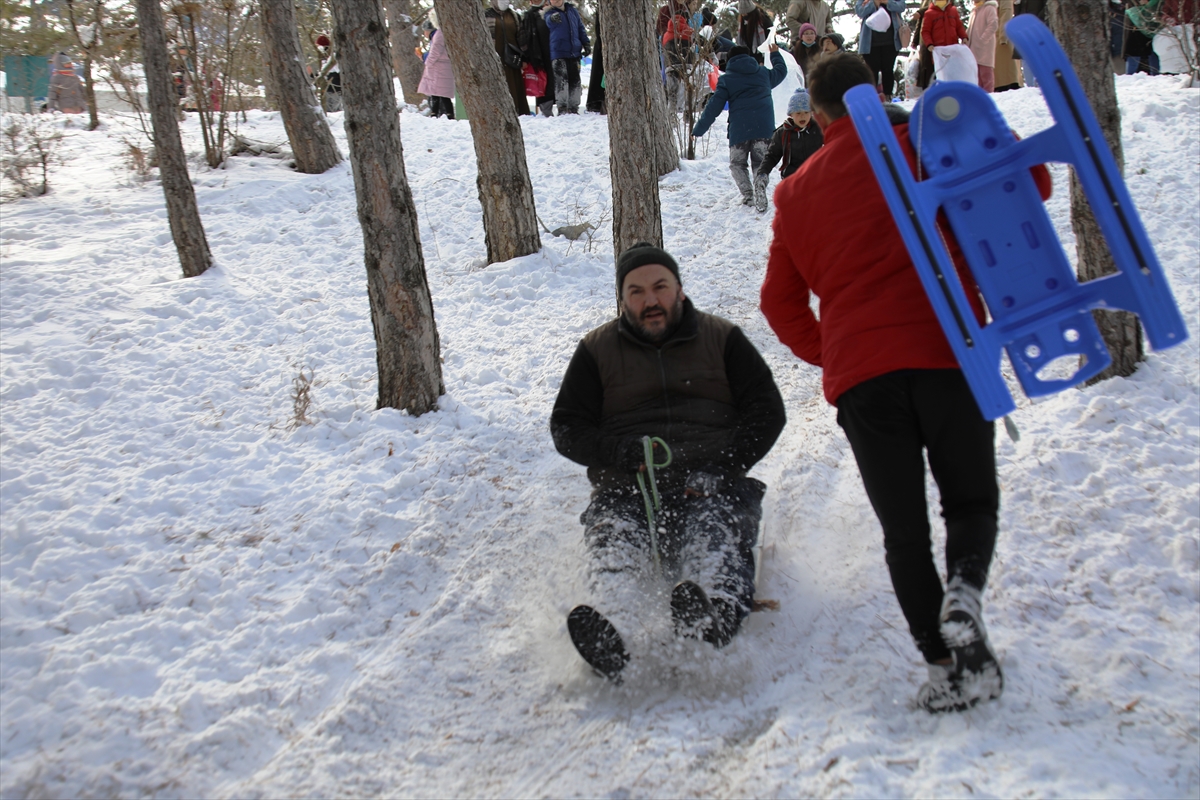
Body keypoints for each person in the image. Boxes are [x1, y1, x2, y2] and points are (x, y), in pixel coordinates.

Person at [760, 53, 1051, 713]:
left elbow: (779, 305)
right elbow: (1029, 184)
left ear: (823, 113)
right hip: (948, 351)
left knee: (905, 531)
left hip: (864, 381)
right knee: (970, 503)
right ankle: (965, 596)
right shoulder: (920, 144)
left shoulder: (796, 191)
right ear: (877, 92)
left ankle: (945, 667)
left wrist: (835, 351)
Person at [551, 243, 786, 680]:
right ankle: (612, 625)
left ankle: (712, 612)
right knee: (614, 541)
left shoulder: (722, 338)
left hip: (710, 480)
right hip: (628, 485)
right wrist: (616, 452)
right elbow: (567, 426)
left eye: (660, 287)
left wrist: (725, 466)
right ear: (623, 300)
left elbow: (767, 411)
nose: (650, 300)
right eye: (636, 291)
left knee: (715, 533)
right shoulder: (596, 351)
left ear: (679, 290)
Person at [692, 44, 788, 213]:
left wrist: (698, 130)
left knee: (737, 164)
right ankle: (760, 185)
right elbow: (781, 71)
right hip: (764, 129)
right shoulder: (763, 73)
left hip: (739, 131)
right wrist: (775, 54)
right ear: (750, 57)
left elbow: (713, 108)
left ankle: (749, 194)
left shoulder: (727, 80)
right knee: (761, 162)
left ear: (729, 61)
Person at [757, 87, 823, 182]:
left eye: (806, 112)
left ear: (811, 113)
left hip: (816, 176)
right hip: (792, 178)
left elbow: (833, 145)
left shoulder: (818, 128)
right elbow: (772, 155)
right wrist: (763, 172)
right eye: (798, 113)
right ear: (791, 114)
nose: (802, 116)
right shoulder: (783, 133)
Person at [544, 0, 590, 114]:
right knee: (561, 81)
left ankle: (574, 108)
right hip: (558, 52)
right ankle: (562, 108)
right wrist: (552, 18)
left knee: (575, 81)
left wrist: (586, 43)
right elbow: (548, 21)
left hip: (574, 52)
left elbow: (580, 28)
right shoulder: (549, 13)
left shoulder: (572, 11)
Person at [485, 0, 531, 114]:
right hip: (495, 58)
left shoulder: (514, 16)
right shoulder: (486, 15)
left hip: (512, 58)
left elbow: (522, 38)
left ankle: (518, 111)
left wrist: (524, 58)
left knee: (514, 86)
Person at [856, 0, 906, 100]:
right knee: (871, 71)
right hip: (870, 42)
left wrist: (886, 2)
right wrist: (874, 3)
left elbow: (902, 7)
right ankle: (871, 98)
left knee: (888, 70)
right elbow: (860, 12)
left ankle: (888, 97)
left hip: (890, 41)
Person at [520, 0, 555, 116]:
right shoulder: (528, 16)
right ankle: (546, 112)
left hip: (553, 53)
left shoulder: (551, 11)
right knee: (543, 84)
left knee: (555, 82)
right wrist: (526, 56)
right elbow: (523, 37)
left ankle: (562, 110)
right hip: (538, 56)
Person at [418, 13, 455, 119]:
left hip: (439, 69)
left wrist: (426, 61)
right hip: (441, 68)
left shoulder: (438, 35)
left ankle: (442, 115)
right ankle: (442, 115)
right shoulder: (440, 34)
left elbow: (435, 53)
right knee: (440, 94)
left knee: (440, 94)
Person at [967, 0, 999, 92]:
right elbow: (969, 29)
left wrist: (983, 40)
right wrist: (965, 43)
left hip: (985, 47)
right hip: (973, 48)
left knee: (986, 74)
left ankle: (989, 97)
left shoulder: (989, 8)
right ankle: (979, 99)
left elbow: (993, 24)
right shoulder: (974, 11)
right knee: (976, 77)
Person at [315, 34, 342, 112]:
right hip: (328, 88)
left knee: (334, 110)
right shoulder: (323, 56)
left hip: (335, 87)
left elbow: (336, 69)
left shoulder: (331, 55)